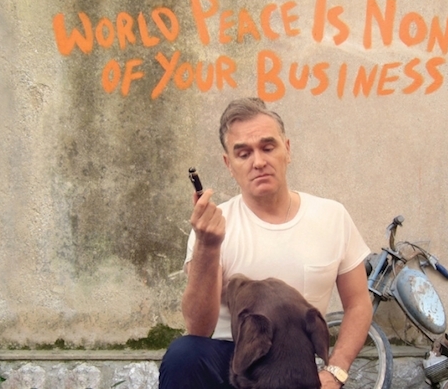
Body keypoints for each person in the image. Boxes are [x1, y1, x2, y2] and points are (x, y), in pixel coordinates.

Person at [159, 98, 373, 389]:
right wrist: (207, 247)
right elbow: (198, 328)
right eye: (244, 154)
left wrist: (336, 371)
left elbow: (358, 303)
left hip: (293, 370)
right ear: (229, 164)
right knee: (184, 354)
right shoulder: (213, 226)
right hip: (233, 363)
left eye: (268, 147)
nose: (258, 162)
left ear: (287, 150)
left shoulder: (332, 216)